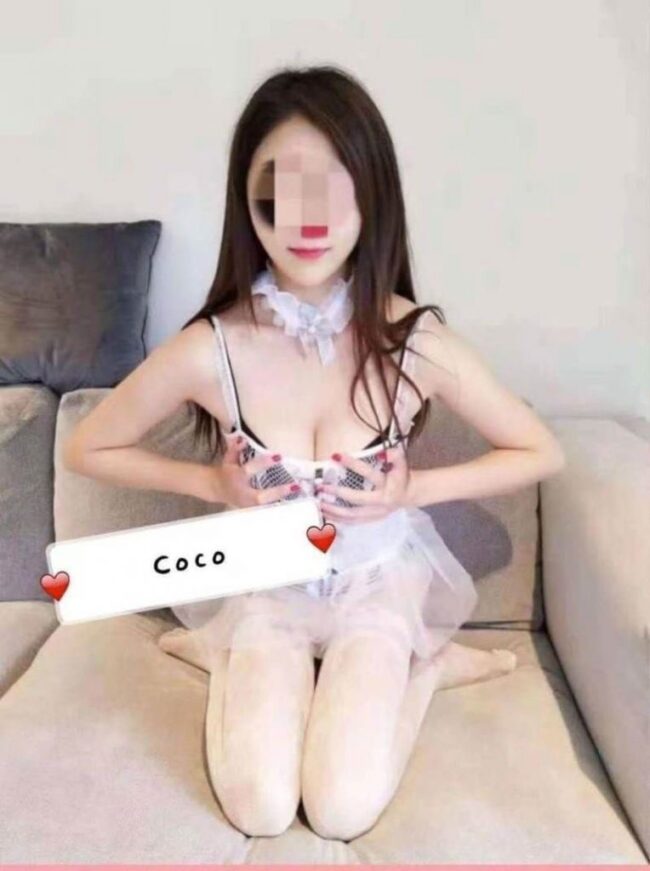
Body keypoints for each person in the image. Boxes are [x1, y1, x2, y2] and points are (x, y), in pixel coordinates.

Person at [63, 65, 566, 842]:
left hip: (379, 584)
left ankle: (426, 665)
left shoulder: (411, 338)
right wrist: (210, 482)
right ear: (247, 199)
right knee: (261, 807)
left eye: (332, 187)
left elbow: (539, 449)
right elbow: (87, 444)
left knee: (340, 808)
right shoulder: (213, 346)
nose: (306, 216)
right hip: (267, 584)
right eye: (281, 188)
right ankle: (224, 653)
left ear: (371, 196)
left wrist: (410, 489)